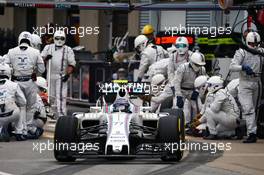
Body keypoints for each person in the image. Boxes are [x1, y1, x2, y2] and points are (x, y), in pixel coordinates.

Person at [5, 31, 45, 140]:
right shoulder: (35, 52)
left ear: (19, 40)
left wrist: (13, 71)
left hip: (16, 82)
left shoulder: (11, 51)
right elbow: (42, 69)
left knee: (19, 106)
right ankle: (26, 129)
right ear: (30, 41)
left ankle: (19, 130)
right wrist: (33, 71)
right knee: (30, 107)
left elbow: (5, 66)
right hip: (30, 82)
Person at [229, 31, 264, 143]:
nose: (254, 46)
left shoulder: (261, 51)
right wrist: (243, 67)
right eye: (252, 44)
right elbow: (232, 67)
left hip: (257, 82)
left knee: (255, 108)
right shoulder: (242, 52)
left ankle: (253, 130)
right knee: (248, 109)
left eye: (256, 44)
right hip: (245, 83)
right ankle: (251, 133)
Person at [41, 30, 76, 118]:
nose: (59, 40)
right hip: (50, 75)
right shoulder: (48, 48)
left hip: (61, 76)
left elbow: (72, 64)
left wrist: (67, 74)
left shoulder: (68, 49)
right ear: (54, 38)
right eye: (57, 38)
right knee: (50, 96)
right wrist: (46, 58)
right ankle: (50, 113)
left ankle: (61, 115)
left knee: (61, 96)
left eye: (62, 38)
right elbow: (40, 60)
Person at [174, 51, 206, 124]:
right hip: (181, 90)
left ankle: (194, 125)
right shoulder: (182, 68)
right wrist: (178, 95)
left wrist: (197, 91)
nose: (199, 66)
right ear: (192, 62)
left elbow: (202, 82)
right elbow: (177, 82)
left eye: (200, 65)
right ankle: (178, 125)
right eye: (197, 64)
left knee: (198, 107)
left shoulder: (202, 69)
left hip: (193, 90)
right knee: (178, 107)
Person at [0, 63, 26, 142]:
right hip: (11, 114)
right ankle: (19, 132)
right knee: (22, 107)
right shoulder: (14, 85)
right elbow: (23, 101)